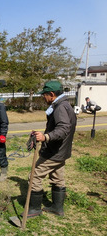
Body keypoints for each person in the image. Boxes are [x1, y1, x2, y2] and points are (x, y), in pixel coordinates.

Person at [26, 80, 77, 218]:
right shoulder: (64, 105)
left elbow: (64, 128)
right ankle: (57, 207)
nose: (44, 97)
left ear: (52, 94)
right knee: (57, 178)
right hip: (61, 151)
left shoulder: (60, 107)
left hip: (53, 152)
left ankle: (35, 209)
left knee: (34, 176)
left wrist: (46, 137)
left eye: (45, 95)